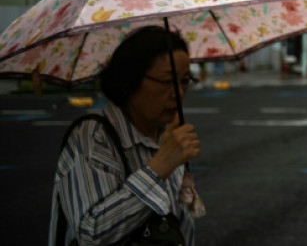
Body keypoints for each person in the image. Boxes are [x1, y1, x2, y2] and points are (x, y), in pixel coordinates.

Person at [49, 26, 202, 245]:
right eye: (167, 81)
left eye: (185, 81)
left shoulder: (167, 137)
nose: (178, 93)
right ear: (129, 82)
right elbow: (90, 234)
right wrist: (160, 168)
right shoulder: (94, 136)